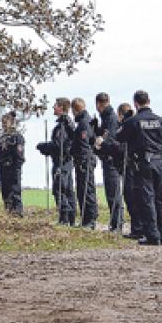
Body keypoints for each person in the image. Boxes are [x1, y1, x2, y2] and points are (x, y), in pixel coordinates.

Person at [99, 90, 162, 245]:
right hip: (160, 162)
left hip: (143, 163)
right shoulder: (161, 121)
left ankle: (153, 235)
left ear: (136, 103)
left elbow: (117, 139)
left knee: (147, 199)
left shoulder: (133, 121)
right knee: (160, 199)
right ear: (149, 101)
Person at [37, 97, 76, 226]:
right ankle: (70, 218)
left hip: (62, 162)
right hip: (65, 161)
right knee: (67, 189)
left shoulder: (63, 125)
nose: (53, 108)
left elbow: (59, 145)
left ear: (61, 108)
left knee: (60, 189)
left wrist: (45, 147)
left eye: (55, 106)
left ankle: (65, 218)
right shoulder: (65, 124)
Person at [0, 111, 25, 216]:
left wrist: (17, 170)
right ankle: (9, 214)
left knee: (14, 194)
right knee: (5, 193)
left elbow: (19, 156)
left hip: (13, 169)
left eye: (5, 123)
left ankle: (17, 215)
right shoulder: (2, 138)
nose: (3, 125)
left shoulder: (17, 137)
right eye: (2, 123)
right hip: (3, 169)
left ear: (11, 123)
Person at [94, 93, 124, 232]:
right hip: (107, 158)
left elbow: (110, 140)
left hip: (111, 159)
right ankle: (115, 222)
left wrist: (100, 145)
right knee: (110, 193)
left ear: (99, 104)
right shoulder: (106, 117)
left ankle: (117, 223)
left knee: (113, 193)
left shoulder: (110, 118)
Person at [71, 98, 98, 229]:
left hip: (84, 160)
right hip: (84, 160)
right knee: (83, 190)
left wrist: (81, 159)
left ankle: (89, 220)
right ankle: (85, 219)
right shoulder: (85, 121)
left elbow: (84, 144)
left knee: (86, 190)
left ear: (74, 110)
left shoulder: (84, 123)